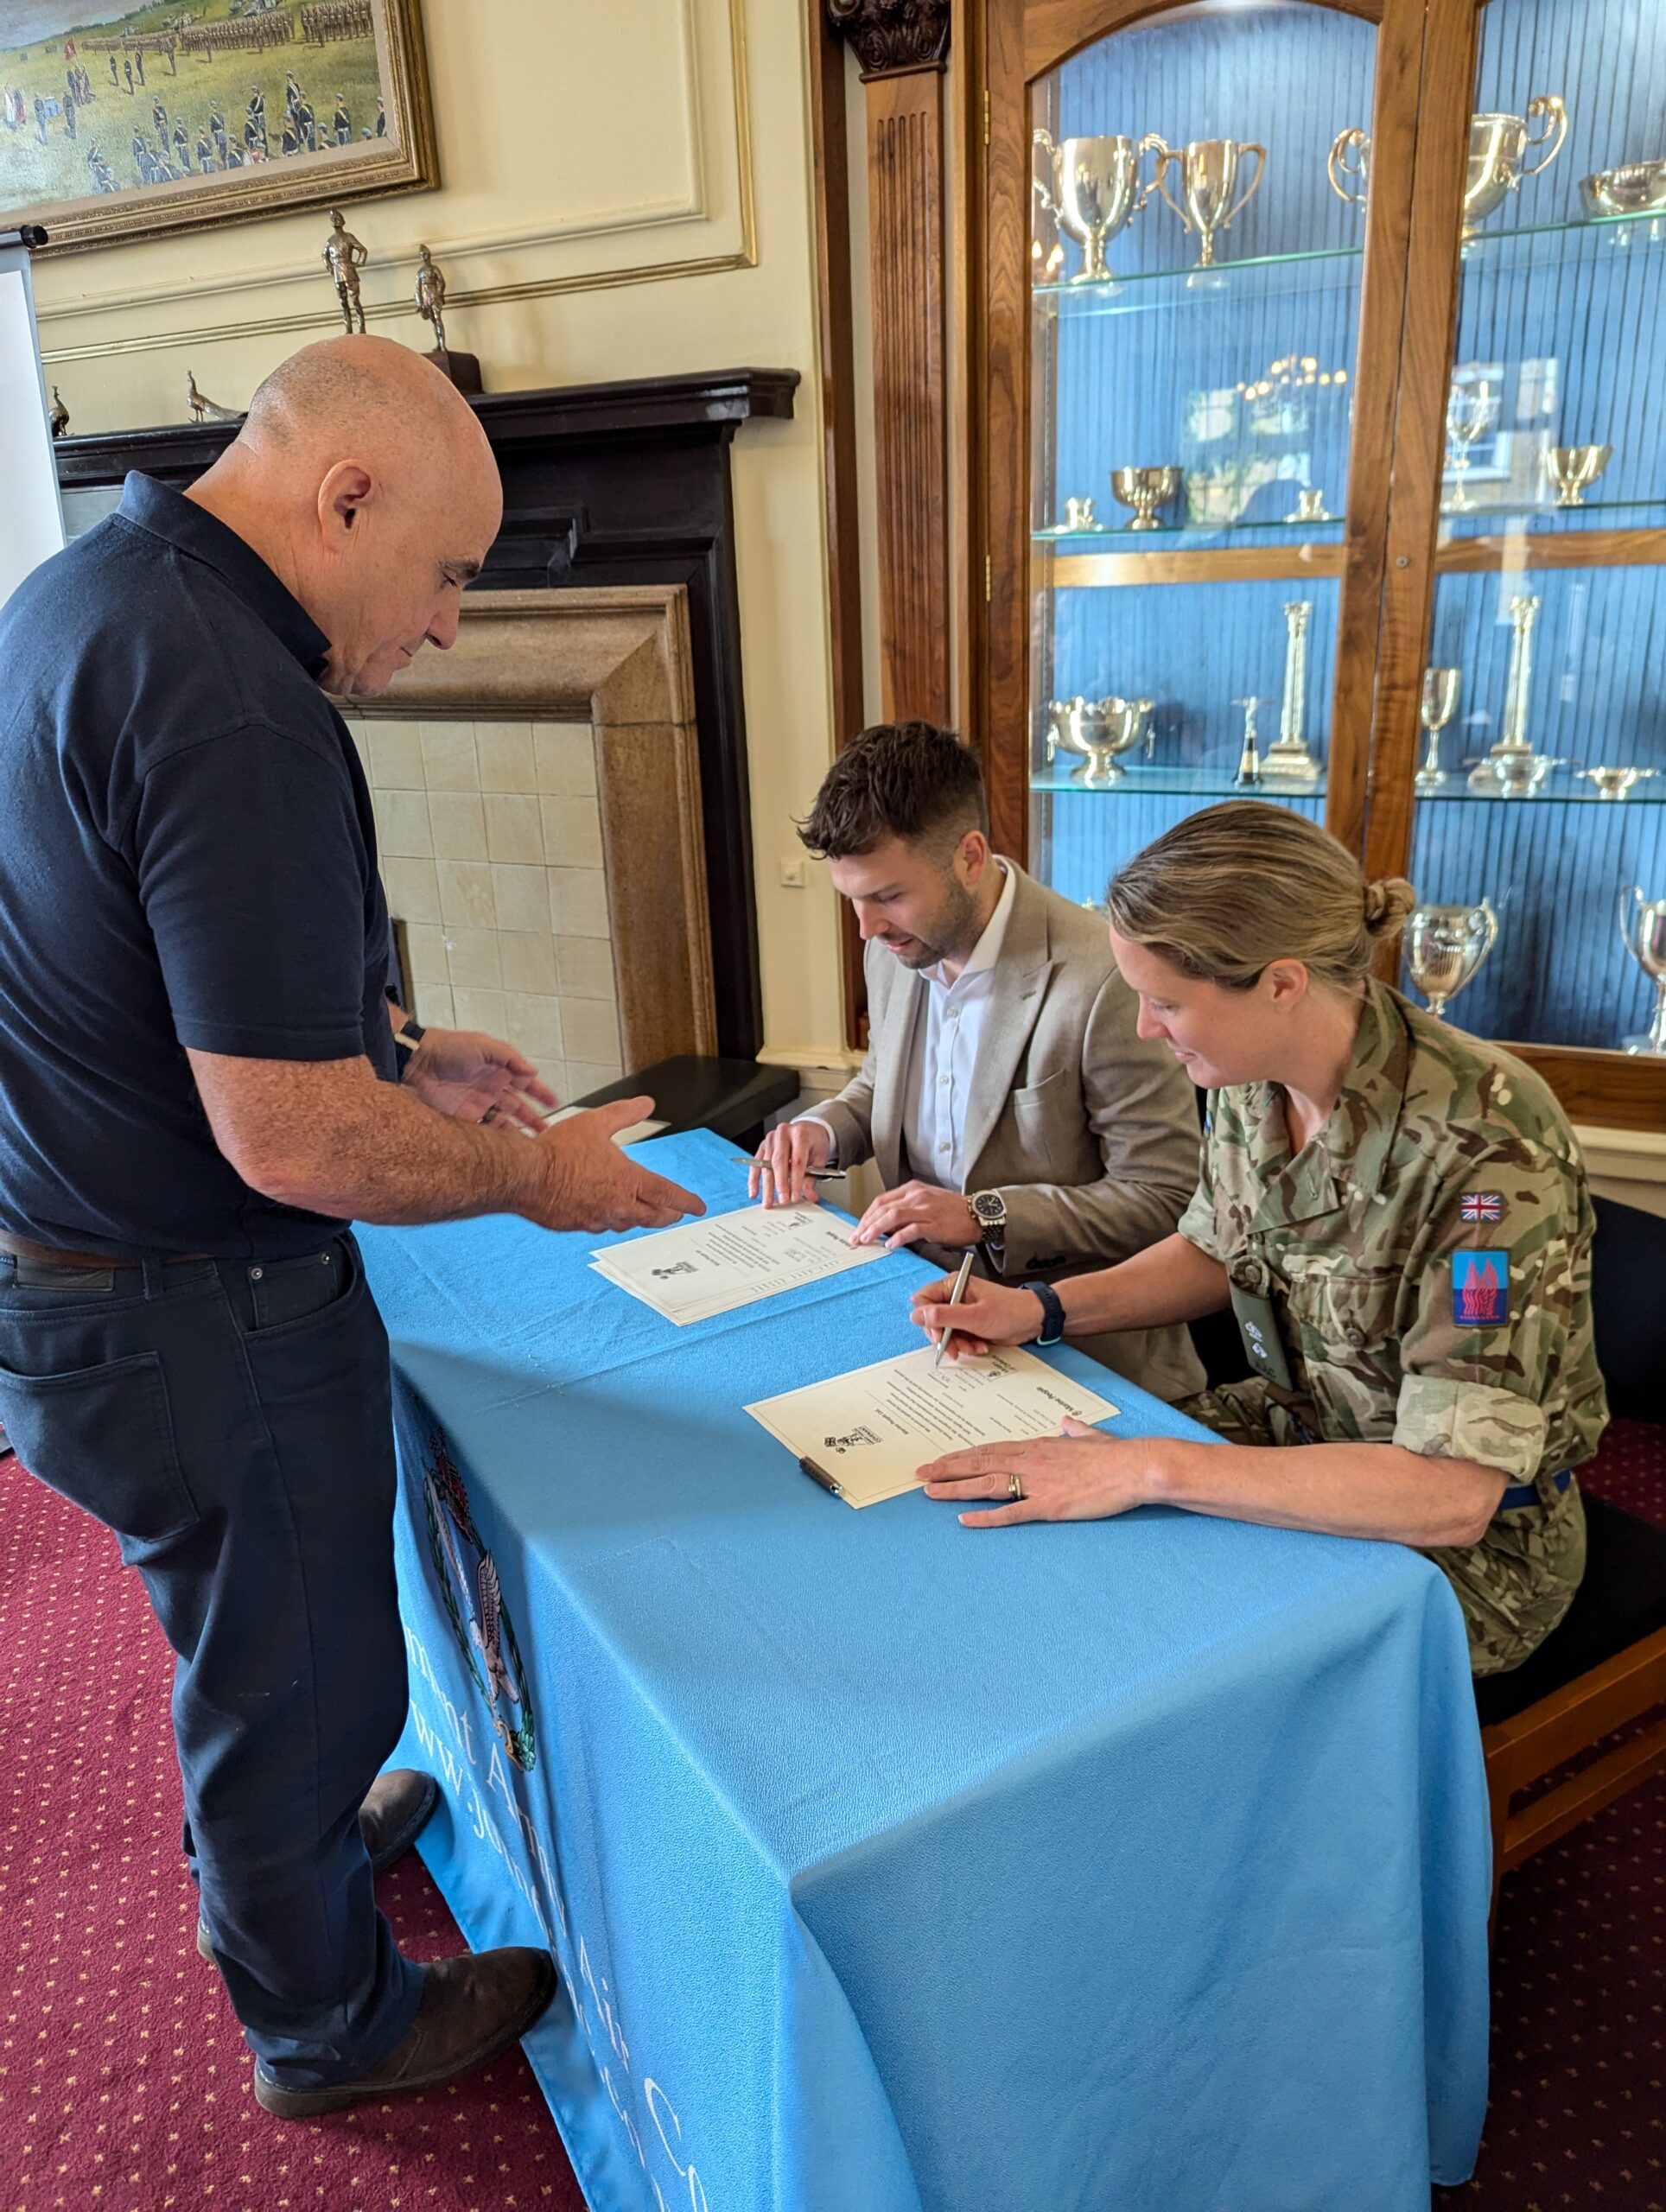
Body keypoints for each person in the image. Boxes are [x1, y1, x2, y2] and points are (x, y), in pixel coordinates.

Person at [0, 334, 703, 2120]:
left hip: (76, 1272)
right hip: (190, 1302)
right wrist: (544, 1179)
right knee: (291, 1660)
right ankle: (325, 2019)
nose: (457, 620)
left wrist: (397, 1043)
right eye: (453, 570)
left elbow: (140, 964)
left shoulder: (88, 592)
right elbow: (293, 1136)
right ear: (348, 495)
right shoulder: (237, 699)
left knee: (254, 1634)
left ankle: (291, 1847)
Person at [909, 801, 1604, 1678]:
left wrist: (1152, 1470)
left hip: (1463, 1553)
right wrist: (1040, 1309)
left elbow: (1449, 1493)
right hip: (1295, 1436)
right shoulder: (1251, 1069)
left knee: (1138, 1648)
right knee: (1032, 1540)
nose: (1143, 1029)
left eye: (1164, 1002)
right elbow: (1216, 1248)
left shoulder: (1482, 1149)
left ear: (1280, 984)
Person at [753, 721, 1206, 1401]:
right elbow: (883, 1084)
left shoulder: (1104, 978)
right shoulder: (894, 947)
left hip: (1082, 1355)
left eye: (887, 896)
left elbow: (1165, 1196)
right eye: (851, 900)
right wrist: (821, 1130)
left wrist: (987, 1214)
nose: (865, 930)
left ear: (970, 856)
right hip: (919, 1313)